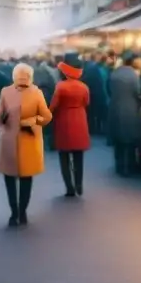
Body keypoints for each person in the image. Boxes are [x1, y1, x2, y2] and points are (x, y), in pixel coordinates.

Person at [0, 63, 52, 227]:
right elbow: (47, 117)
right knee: (27, 178)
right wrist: (33, 121)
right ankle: (22, 212)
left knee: (9, 178)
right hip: (30, 139)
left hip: (9, 141)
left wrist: (2, 129)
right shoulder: (36, 93)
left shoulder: (5, 92)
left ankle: (14, 213)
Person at [50, 57, 90, 197]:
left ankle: (69, 187)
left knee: (64, 156)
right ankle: (79, 184)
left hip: (64, 120)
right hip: (79, 119)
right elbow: (87, 102)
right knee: (79, 156)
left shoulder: (60, 86)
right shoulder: (84, 87)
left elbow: (53, 106)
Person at [108, 52, 141, 176]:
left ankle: (119, 166)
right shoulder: (134, 76)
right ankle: (128, 168)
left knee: (118, 140)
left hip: (115, 108)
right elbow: (138, 93)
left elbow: (109, 90)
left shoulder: (114, 73)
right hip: (130, 111)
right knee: (129, 141)